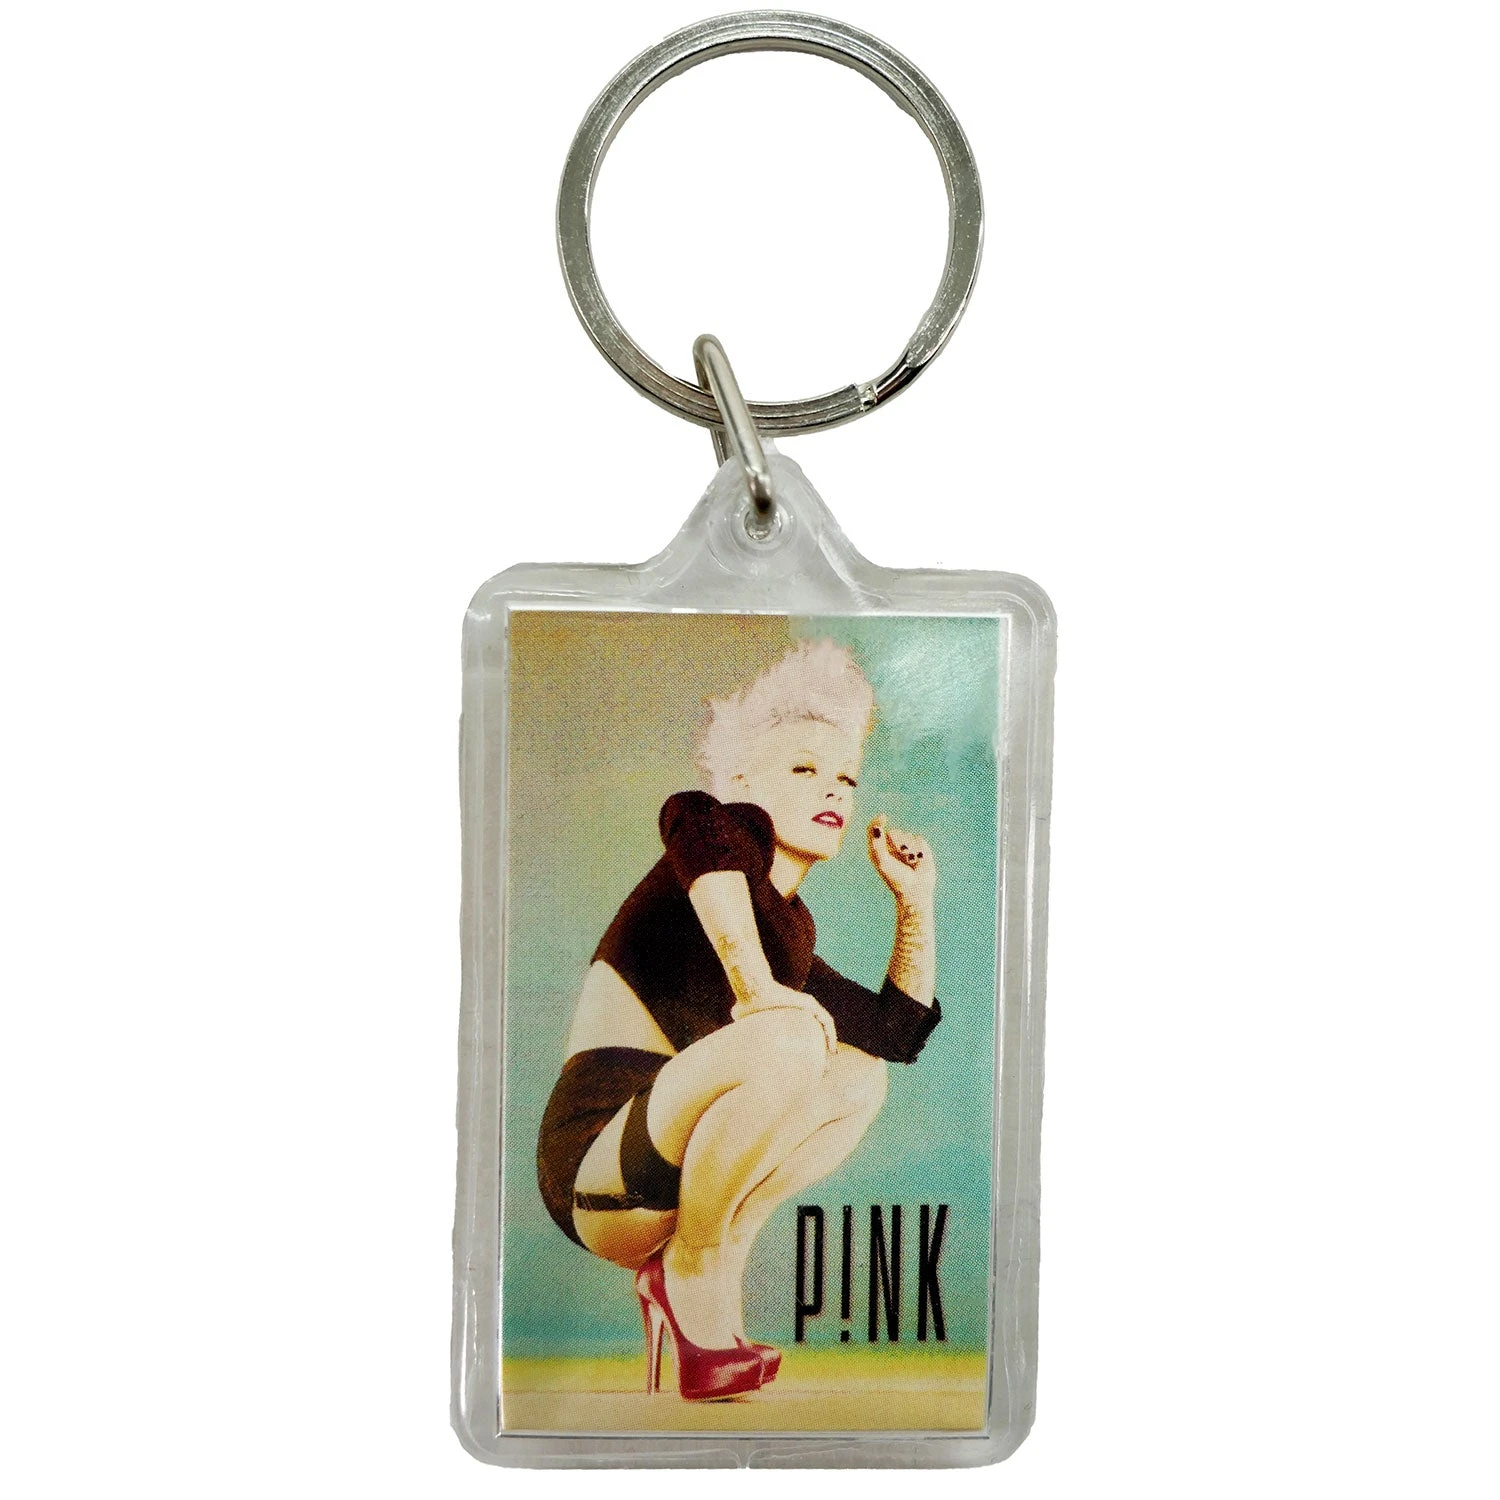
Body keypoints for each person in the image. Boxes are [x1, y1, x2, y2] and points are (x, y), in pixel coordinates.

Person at [535, 639, 941, 1400]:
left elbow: (896, 1033)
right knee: (791, 1033)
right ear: (744, 780)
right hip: (594, 1162)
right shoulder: (715, 830)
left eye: (847, 777)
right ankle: (689, 1271)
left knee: (859, 1075)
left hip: (666, 1167)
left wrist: (915, 904)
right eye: (805, 769)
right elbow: (690, 820)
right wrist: (759, 992)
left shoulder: (788, 931)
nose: (835, 790)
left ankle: (711, 1267)